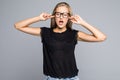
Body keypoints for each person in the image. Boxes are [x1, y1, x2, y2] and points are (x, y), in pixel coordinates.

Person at [14, 2, 106, 80]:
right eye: (58, 14)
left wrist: (83, 23)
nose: (61, 17)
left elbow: (101, 37)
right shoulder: (45, 32)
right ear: (54, 16)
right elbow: (18, 26)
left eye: (65, 14)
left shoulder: (74, 34)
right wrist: (39, 18)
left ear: (69, 17)